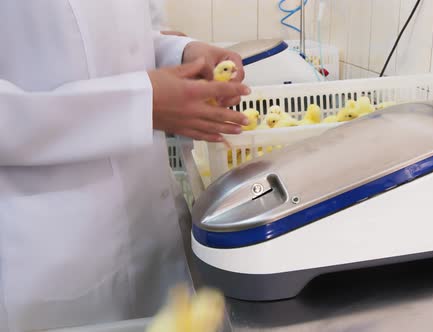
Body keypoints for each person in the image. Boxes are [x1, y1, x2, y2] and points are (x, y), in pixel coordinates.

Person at [0, 1, 249, 331]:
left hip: (149, 223)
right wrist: (139, 103)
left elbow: (118, 43)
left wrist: (182, 54)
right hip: (51, 253)